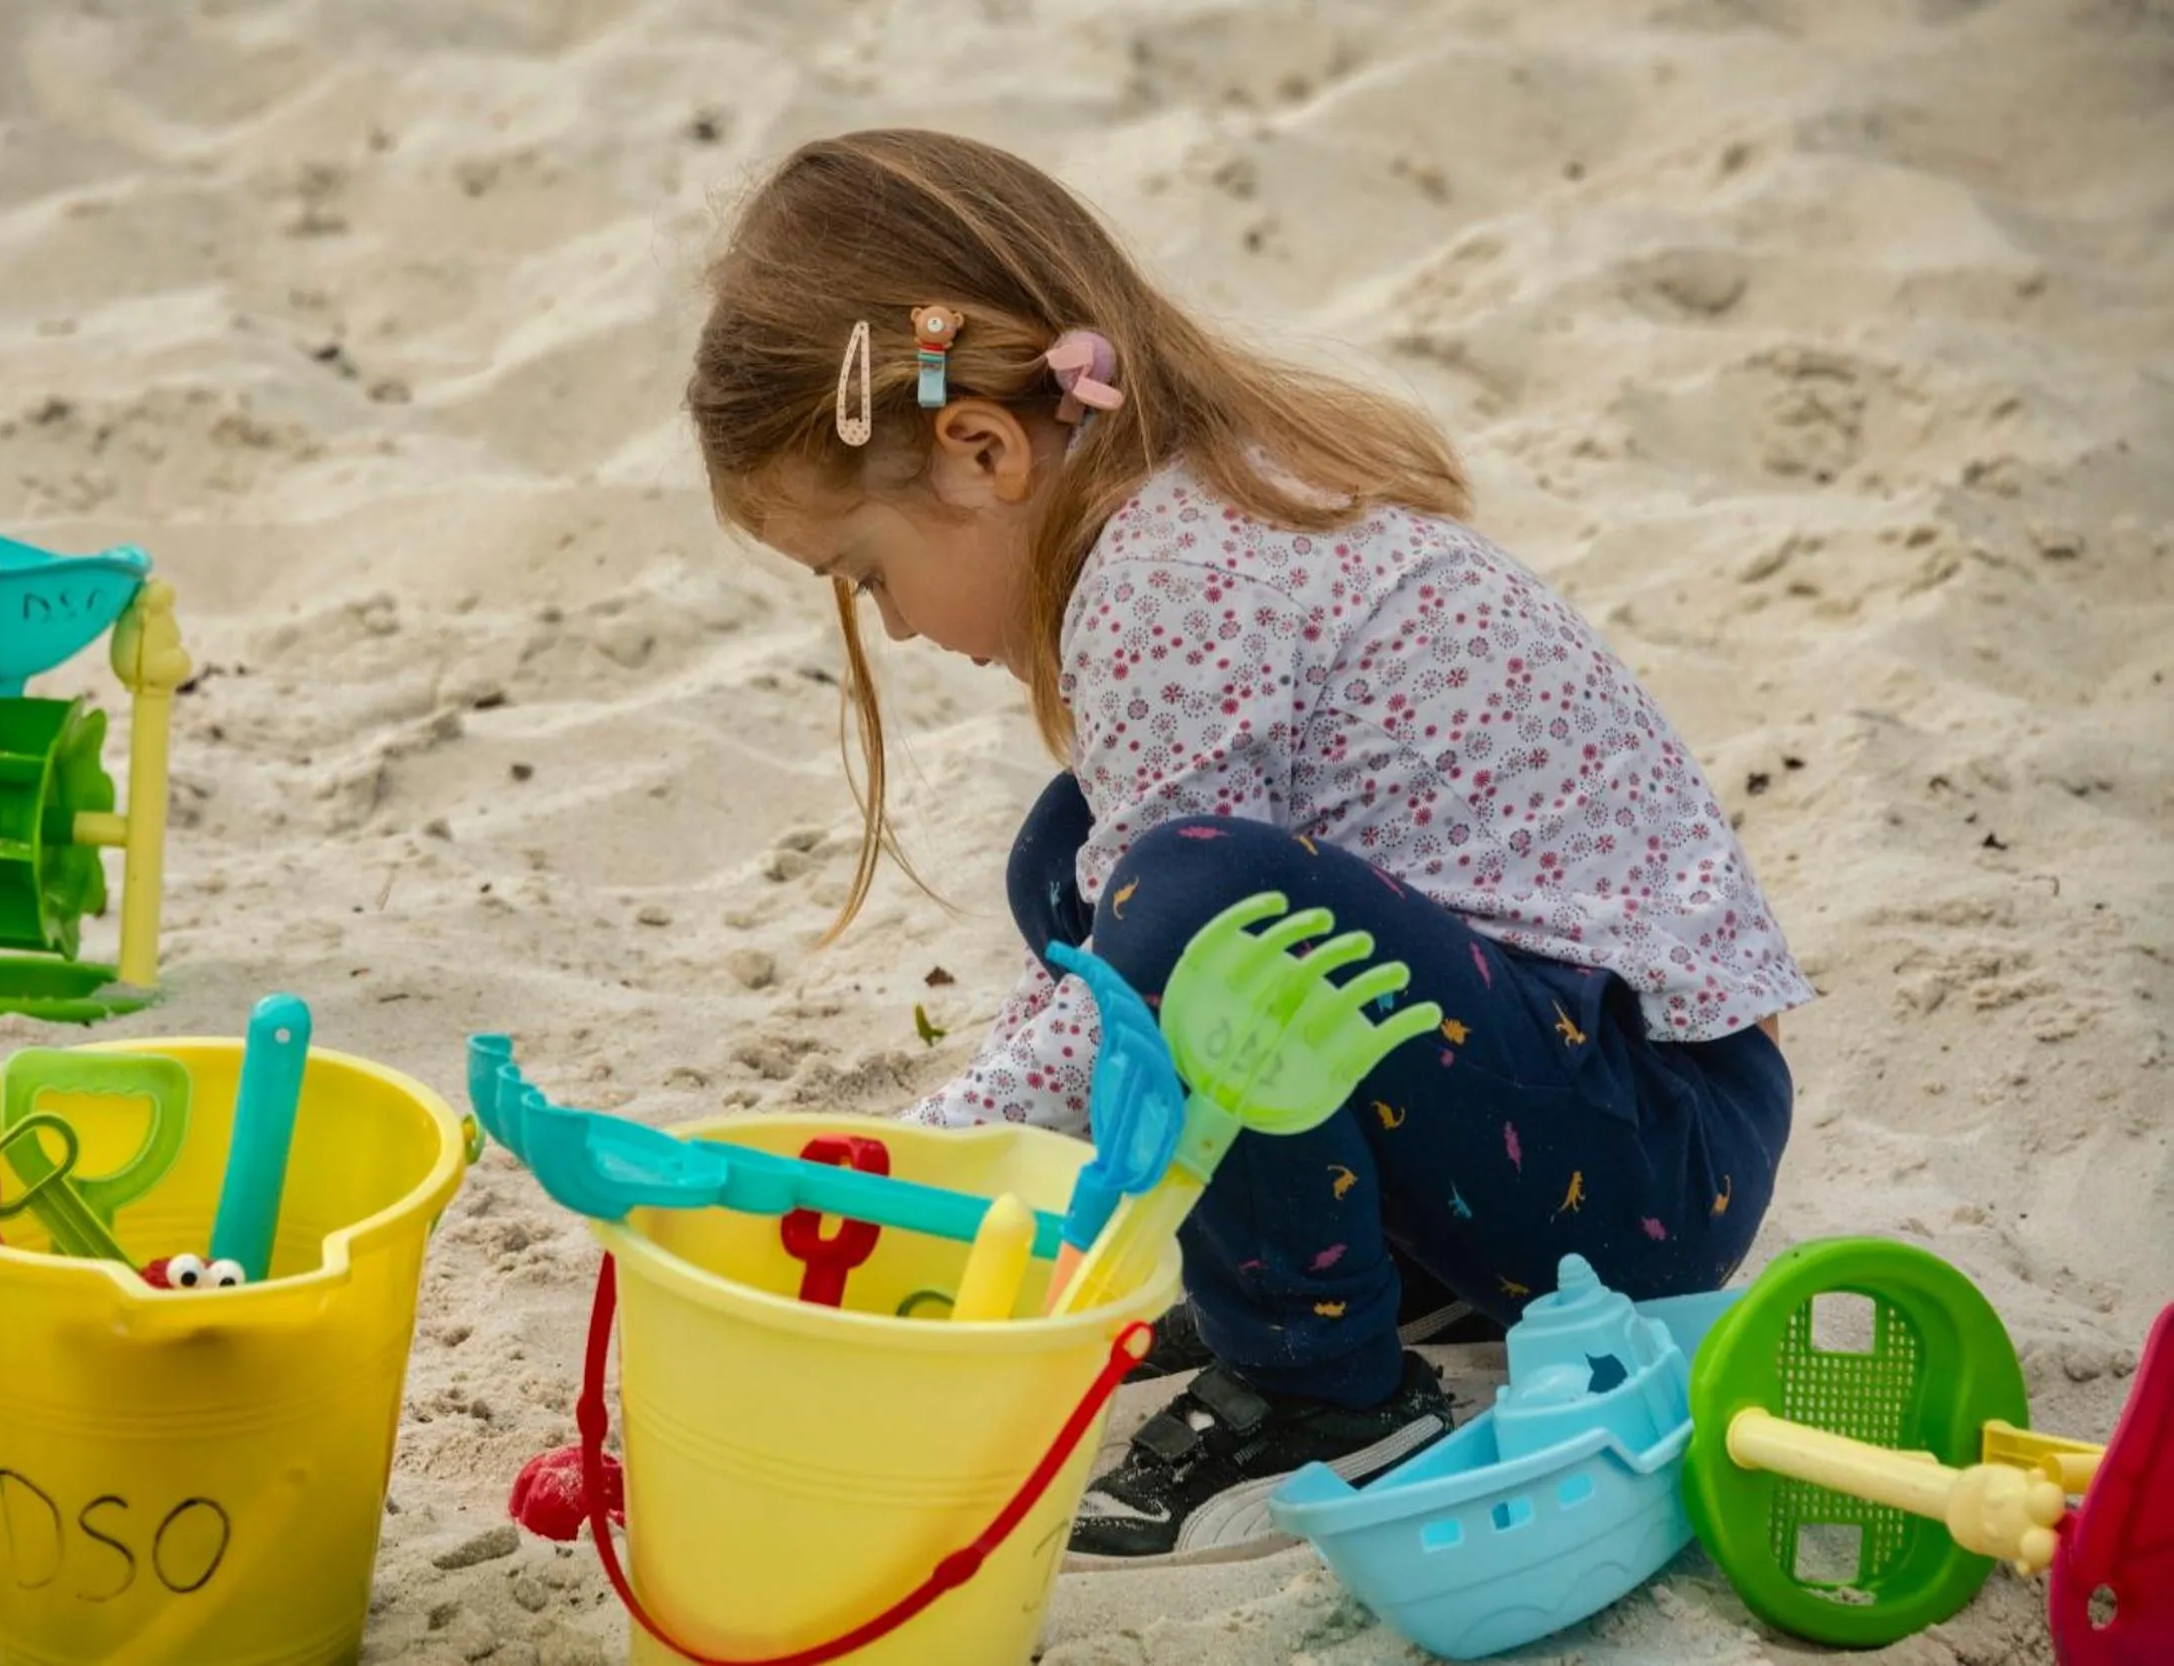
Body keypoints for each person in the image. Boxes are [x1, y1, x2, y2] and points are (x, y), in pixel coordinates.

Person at [685, 129, 1810, 1563]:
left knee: (1187, 906)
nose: (893, 624)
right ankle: (1387, 1268)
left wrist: (914, 1168)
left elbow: (1145, 977)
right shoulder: (1186, 488)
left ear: (979, 449)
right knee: (1079, 856)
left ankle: (1317, 1385)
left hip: (1648, 1162)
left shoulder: (1164, 578)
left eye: (867, 573)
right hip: (1582, 1097)